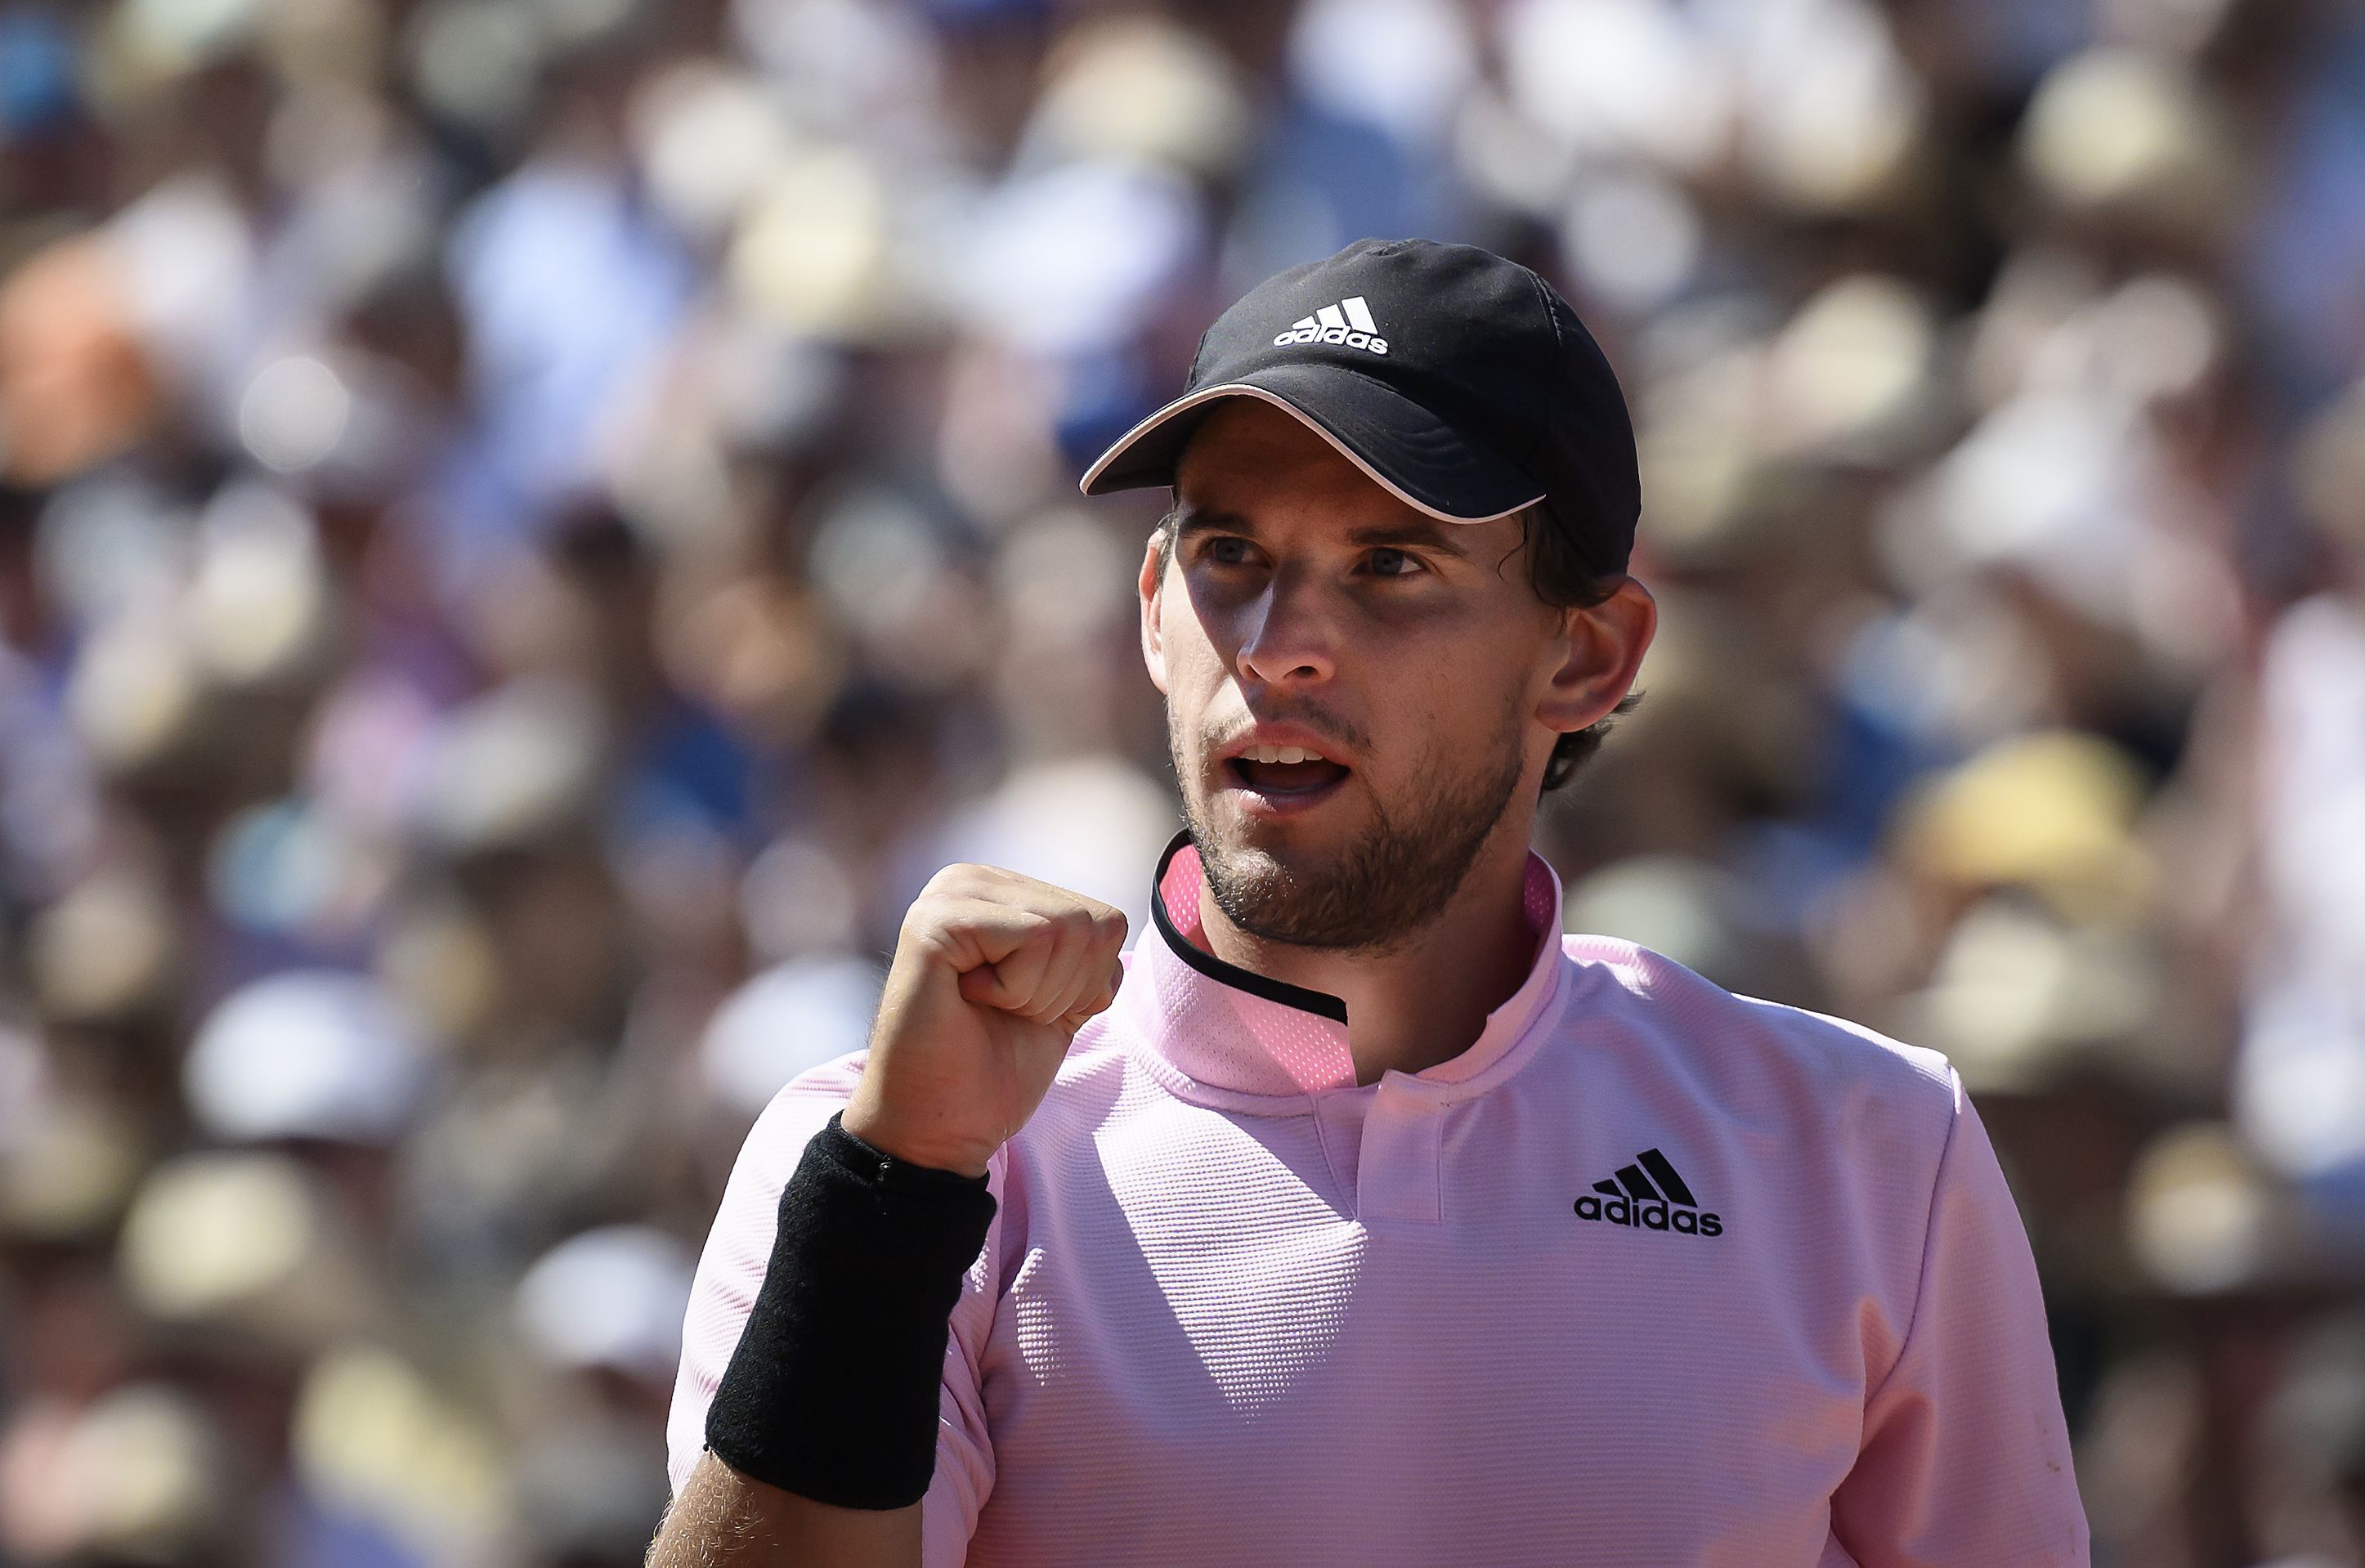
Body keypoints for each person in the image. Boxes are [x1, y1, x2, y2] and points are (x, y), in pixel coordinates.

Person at [656, 238, 2088, 1566]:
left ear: (1588, 658)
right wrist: (897, 1193)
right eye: (1231, 559)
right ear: (1155, 610)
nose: (1280, 649)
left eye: (1389, 566)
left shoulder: (1873, 1150)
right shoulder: (896, 1162)